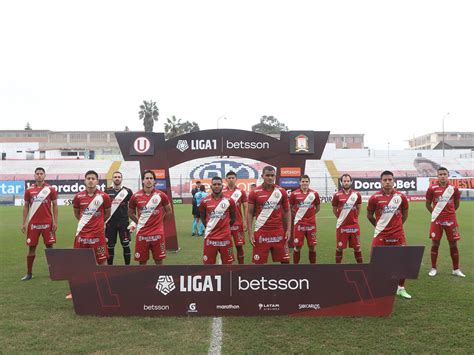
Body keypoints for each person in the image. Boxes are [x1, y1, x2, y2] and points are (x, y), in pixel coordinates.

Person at [367, 171, 411, 299]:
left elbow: (405, 213)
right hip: (381, 235)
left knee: (402, 261)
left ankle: (401, 288)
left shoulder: (401, 197)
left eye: (390, 179)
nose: (387, 182)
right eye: (385, 180)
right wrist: (379, 226)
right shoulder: (374, 198)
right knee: (375, 260)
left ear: (393, 181)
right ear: (381, 181)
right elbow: (369, 215)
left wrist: (398, 226)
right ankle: (378, 287)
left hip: (398, 235)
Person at [69, 170, 111, 299]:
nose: (91, 180)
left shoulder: (104, 196)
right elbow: (77, 213)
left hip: (98, 236)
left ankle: (105, 288)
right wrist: (85, 224)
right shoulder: (78, 197)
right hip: (82, 235)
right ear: (85, 180)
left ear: (97, 181)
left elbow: (107, 214)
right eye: (88, 178)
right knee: (79, 262)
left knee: (102, 261)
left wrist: (98, 224)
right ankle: (77, 290)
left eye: (93, 178)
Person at [425, 167, 465, 277]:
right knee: (435, 243)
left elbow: (456, 203)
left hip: (451, 220)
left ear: (448, 175)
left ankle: (456, 269)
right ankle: (433, 268)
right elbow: (427, 204)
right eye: (440, 174)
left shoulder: (454, 188)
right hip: (436, 220)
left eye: (444, 174)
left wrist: (449, 213)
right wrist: (435, 214)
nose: (442, 176)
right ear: (437, 176)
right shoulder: (432, 188)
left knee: (453, 243)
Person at [247, 166, 291, 264]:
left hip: (278, 232)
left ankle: (284, 280)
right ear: (262, 176)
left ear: (275, 176)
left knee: (285, 262)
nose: (270, 178)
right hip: (261, 232)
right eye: (267, 175)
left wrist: (288, 230)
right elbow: (249, 213)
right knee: (258, 263)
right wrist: (250, 233)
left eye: (272, 175)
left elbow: (287, 211)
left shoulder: (281, 191)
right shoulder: (254, 192)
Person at [20, 167, 58, 281]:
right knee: (31, 248)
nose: (39, 175)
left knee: (50, 247)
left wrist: (55, 221)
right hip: (33, 224)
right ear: (34, 175)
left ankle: (54, 272)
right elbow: (26, 206)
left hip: (47, 223)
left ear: (44, 175)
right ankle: (29, 273)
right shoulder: (29, 190)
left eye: (41, 174)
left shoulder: (50, 189)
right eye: (37, 174)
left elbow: (55, 206)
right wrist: (23, 223)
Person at [128, 170, 172, 265]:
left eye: (151, 178)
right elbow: (130, 212)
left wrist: (161, 223)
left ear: (154, 181)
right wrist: (139, 222)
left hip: (157, 233)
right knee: (142, 261)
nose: (149, 180)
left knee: (159, 261)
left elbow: (169, 211)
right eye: (146, 178)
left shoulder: (161, 195)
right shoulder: (135, 196)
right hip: (142, 233)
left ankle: (159, 279)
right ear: (143, 180)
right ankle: (144, 280)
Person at [199, 176, 236, 264]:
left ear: (222, 186)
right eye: (214, 184)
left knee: (228, 265)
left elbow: (233, 218)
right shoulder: (204, 202)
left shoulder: (230, 201)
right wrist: (211, 227)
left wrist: (225, 228)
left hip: (225, 238)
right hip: (210, 238)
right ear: (211, 186)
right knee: (208, 265)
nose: (216, 186)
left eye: (219, 184)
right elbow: (203, 218)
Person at [332, 174, 363, 264]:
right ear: (341, 182)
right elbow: (334, 209)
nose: (346, 183)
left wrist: (355, 217)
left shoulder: (356, 194)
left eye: (348, 181)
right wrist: (340, 218)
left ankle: (361, 267)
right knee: (340, 247)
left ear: (351, 182)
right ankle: (338, 268)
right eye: (344, 181)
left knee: (357, 247)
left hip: (354, 225)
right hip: (342, 226)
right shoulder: (337, 195)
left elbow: (359, 207)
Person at [289, 175, 320, 264]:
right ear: (300, 183)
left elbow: (318, 207)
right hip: (299, 224)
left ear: (309, 182)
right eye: (303, 181)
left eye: (306, 181)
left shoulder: (314, 194)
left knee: (312, 246)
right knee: (297, 246)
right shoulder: (294, 194)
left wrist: (311, 216)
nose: (305, 183)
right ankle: (296, 267)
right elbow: (290, 207)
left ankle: (312, 266)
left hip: (311, 224)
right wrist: (298, 215)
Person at [105, 171, 133, 265]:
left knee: (125, 245)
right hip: (110, 223)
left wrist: (133, 222)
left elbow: (133, 206)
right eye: (115, 177)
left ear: (121, 179)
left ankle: (127, 267)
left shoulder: (128, 191)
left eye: (119, 177)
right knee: (110, 246)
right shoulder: (106, 191)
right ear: (112, 179)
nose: (117, 178)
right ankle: (110, 268)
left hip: (124, 223)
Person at [223, 171, 248, 264]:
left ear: (236, 179)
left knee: (239, 246)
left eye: (233, 178)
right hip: (225, 224)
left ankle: (241, 266)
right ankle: (228, 267)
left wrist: (245, 221)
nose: (231, 179)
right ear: (226, 180)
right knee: (226, 246)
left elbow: (246, 206)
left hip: (238, 224)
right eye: (229, 178)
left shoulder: (241, 192)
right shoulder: (222, 192)